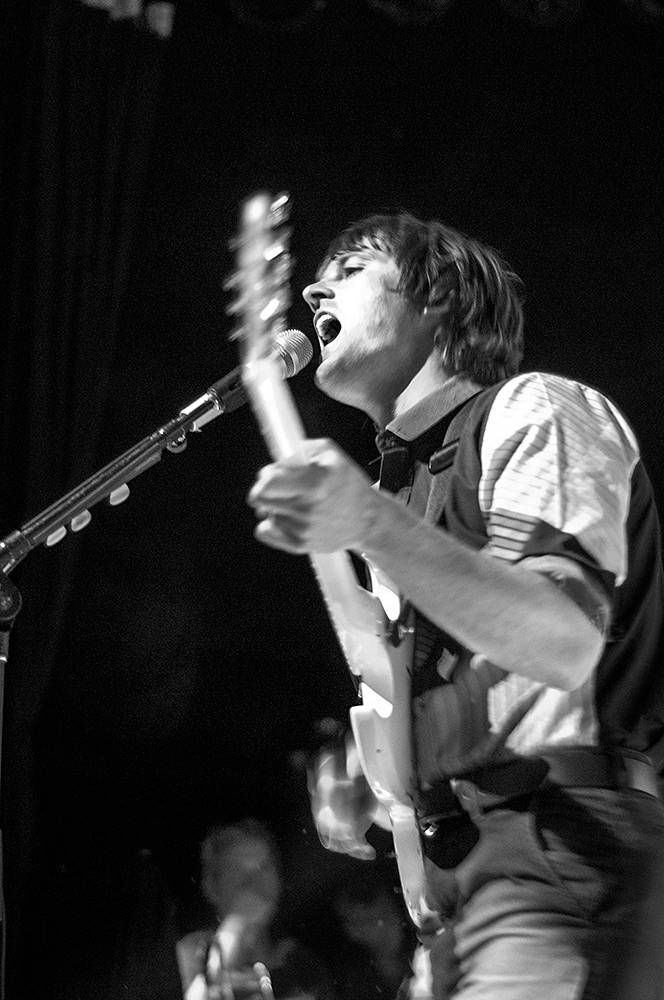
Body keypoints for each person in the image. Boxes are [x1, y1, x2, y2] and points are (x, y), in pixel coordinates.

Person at [247, 211, 664, 999]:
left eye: (351, 268)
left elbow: (561, 638)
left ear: (437, 294)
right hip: (465, 889)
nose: (313, 291)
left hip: (561, 847)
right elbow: (437, 684)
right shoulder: (402, 488)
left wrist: (368, 523)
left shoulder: (539, 408)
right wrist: (380, 779)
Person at [176, 818, 334, 1000]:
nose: (254, 882)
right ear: (212, 888)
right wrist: (235, 929)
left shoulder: (299, 962)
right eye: (237, 870)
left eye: (264, 867)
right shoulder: (192, 953)